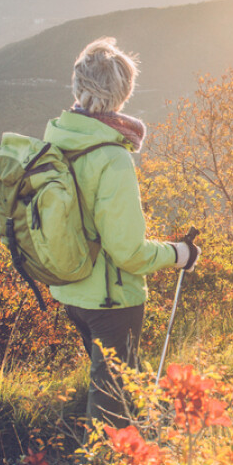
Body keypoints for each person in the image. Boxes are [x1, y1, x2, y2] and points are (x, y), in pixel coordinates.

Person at [44, 37, 200, 426]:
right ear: (122, 93)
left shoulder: (57, 140)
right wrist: (179, 254)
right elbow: (128, 251)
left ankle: (140, 443)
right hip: (111, 299)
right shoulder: (112, 157)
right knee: (112, 404)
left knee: (119, 380)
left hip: (70, 290)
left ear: (78, 86)